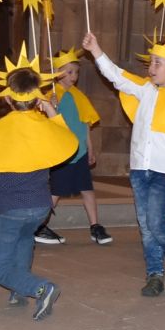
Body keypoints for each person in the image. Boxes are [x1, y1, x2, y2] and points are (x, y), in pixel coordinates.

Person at [83, 32, 165, 297]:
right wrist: (96, 50)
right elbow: (116, 75)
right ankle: (154, 273)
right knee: (145, 226)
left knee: (156, 222)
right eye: (151, 62)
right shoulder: (145, 89)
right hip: (141, 170)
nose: (150, 68)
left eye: (157, 63)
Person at [0, 62, 78, 320]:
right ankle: (18, 290)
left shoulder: (0, 128)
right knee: (24, 242)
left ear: (7, 97)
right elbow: (66, 135)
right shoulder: (43, 125)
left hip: (12, 206)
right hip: (41, 206)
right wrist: (50, 108)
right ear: (37, 97)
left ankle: (40, 288)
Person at [41, 48, 112, 245]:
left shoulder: (78, 95)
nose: (74, 76)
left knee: (87, 189)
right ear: (57, 72)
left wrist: (90, 148)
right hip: (63, 153)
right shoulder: (52, 95)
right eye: (69, 72)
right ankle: (39, 225)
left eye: (76, 72)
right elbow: (48, 124)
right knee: (56, 191)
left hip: (80, 152)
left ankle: (95, 226)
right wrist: (51, 107)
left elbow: (84, 124)